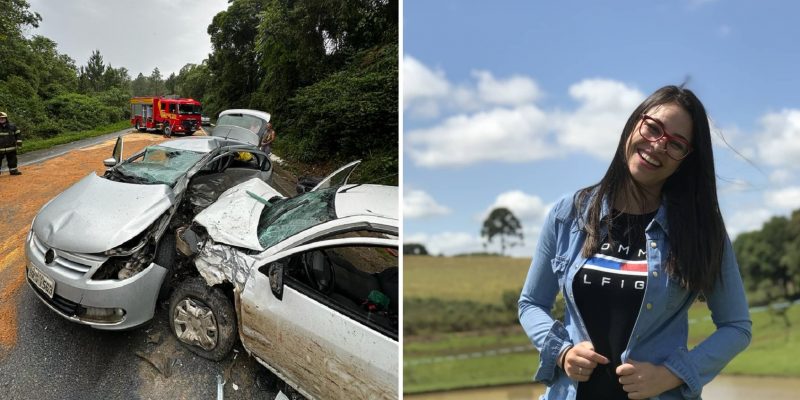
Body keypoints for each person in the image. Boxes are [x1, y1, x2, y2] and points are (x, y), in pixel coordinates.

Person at [518, 85, 751, 400]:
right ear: (633, 124)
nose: (657, 146)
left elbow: (736, 326)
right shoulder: (568, 213)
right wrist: (562, 353)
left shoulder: (702, 230)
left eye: (676, 144)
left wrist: (671, 375)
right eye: (653, 128)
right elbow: (531, 303)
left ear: (686, 158)